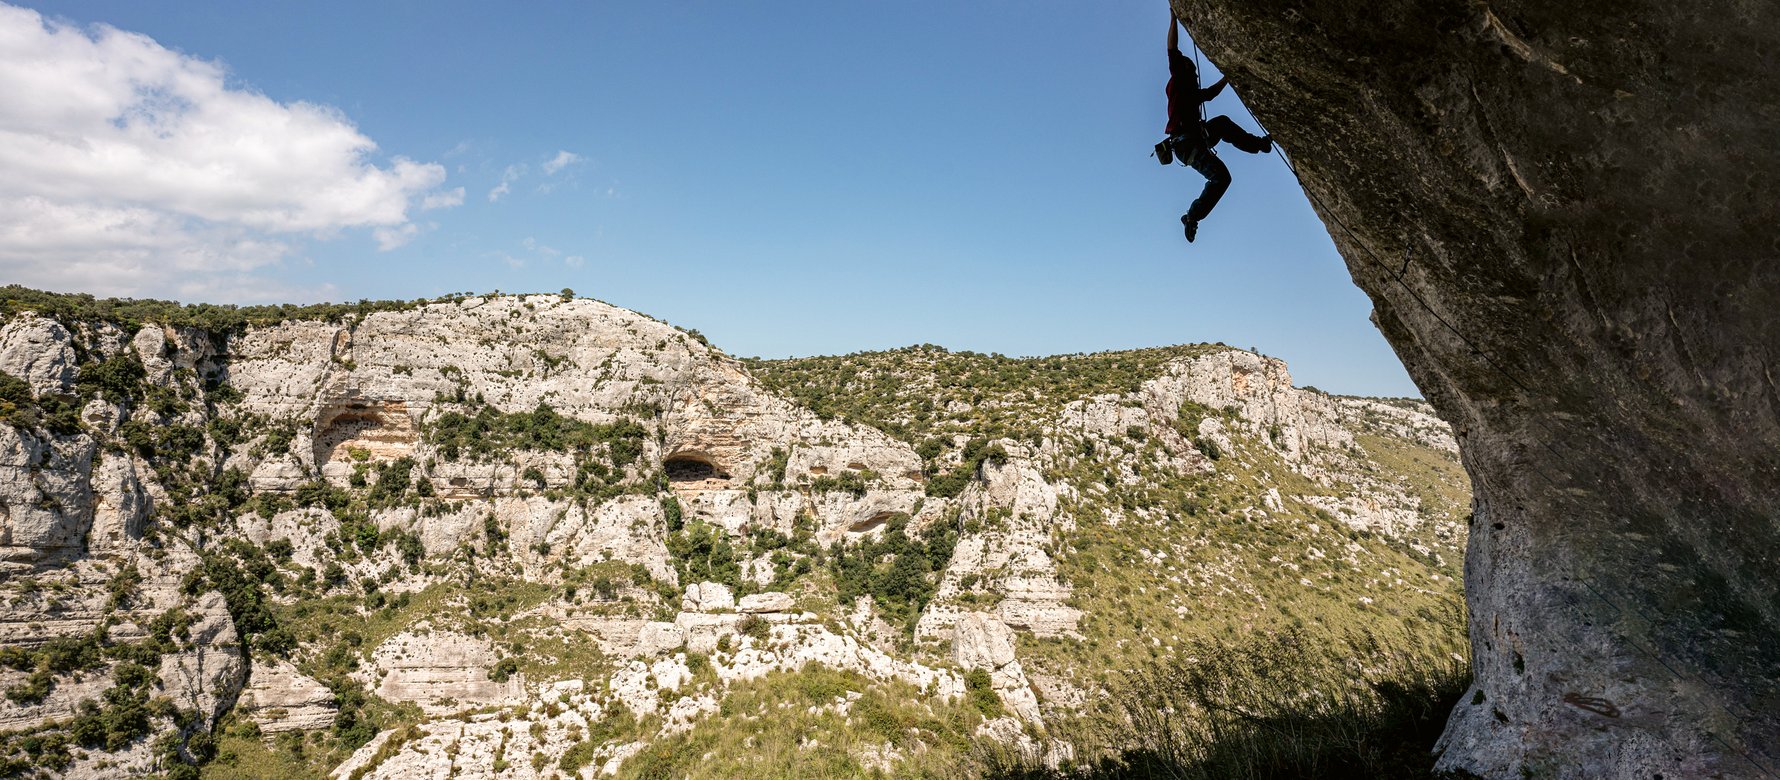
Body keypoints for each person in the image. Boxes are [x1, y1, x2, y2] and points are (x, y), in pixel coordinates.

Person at [1166, 14, 1272, 242]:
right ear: (1186, 71)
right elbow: (1172, 48)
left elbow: (1211, 94)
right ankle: (1191, 217)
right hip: (1186, 143)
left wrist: (1228, 78)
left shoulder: (1189, 92)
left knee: (1222, 123)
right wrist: (1173, 18)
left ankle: (1258, 144)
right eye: (1193, 72)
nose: (1196, 75)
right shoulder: (1180, 81)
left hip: (1193, 138)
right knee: (1221, 178)